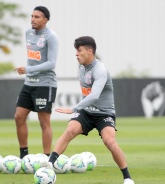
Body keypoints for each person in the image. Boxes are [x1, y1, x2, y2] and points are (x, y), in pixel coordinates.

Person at [46, 36, 135, 184]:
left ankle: (127, 178)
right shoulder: (81, 67)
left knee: (110, 141)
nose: (76, 54)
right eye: (76, 51)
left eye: (79, 50)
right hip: (86, 112)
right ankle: (49, 164)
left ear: (89, 51)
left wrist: (73, 109)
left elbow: (94, 95)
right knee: (70, 130)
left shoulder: (100, 70)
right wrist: (79, 111)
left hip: (104, 113)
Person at [14, 6, 58, 159]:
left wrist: (28, 69)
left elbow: (51, 63)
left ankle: (47, 159)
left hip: (45, 84)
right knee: (19, 117)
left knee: (44, 121)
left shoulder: (51, 36)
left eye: (37, 17)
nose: (32, 19)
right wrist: (28, 71)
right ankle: (23, 156)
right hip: (29, 83)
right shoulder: (28, 33)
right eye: (32, 16)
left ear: (45, 20)